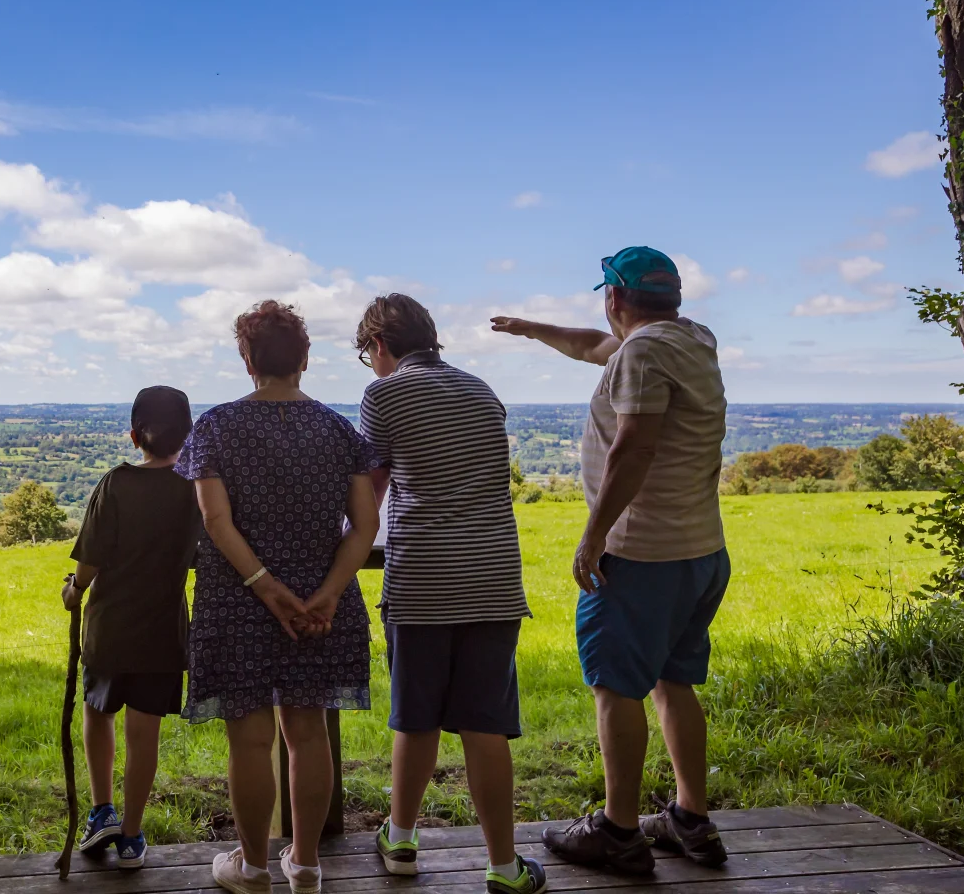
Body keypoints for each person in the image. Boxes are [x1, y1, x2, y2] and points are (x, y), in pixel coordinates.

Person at [491, 246, 731, 875]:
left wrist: (592, 537)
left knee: (615, 689)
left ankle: (620, 832)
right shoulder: (691, 340)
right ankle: (690, 819)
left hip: (641, 556)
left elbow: (634, 447)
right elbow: (598, 344)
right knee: (672, 682)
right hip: (700, 551)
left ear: (615, 296)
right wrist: (532, 329)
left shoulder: (643, 355)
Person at [176, 300, 382, 894]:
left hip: (238, 602)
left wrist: (266, 590)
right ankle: (308, 864)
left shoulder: (215, 427)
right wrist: (325, 596)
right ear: (305, 359)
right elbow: (364, 528)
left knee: (250, 737)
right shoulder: (337, 430)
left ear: (247, 360)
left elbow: (216, 523)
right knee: (309, 730)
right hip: (320, 609)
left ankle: (253, 866)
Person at [354, 294, 546, 894]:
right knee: (485, 725)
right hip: (492, 579)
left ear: (380, 346)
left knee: (415, 719)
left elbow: (371, 493)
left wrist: (343, 554)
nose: (372, 366)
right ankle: (504, 866)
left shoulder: (383, 395)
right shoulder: (481, 389)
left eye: (369, 355)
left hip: (422, 580)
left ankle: (403, 839)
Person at [61, 385, 201, 870]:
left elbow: (90, 561)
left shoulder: (114, 484)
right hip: (164, 635)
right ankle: (133, 836)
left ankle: (102, 810)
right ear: (187, 435)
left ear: (133, 435)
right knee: (146, 733)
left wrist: (73, 590)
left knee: (98, 712)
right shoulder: (195, 488)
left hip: (109, 632)